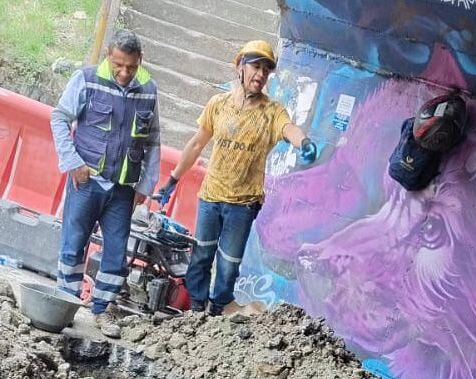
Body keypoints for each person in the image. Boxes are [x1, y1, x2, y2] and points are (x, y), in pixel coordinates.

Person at [153, 40, 317, 316]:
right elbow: (196, 144)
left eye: (266, 70)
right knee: (201, 255)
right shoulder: (219, 104)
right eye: (256, 67)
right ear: (240, 67)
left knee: (228, 263)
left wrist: (304, 142)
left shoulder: (272, 112)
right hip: (211, 197)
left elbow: (289, 128)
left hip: (243, 204)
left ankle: (216, 311)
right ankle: (196, 310)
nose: (260, 74)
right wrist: (173, 179)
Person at [51, 30, 162, 340]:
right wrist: (73, 163)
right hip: (86, 182)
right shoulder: (86, 80)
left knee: (115, 252)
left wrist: (145, 185)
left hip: (122, 190)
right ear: (108, 57)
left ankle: (103, 309)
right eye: (118, 65)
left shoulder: (148, 90)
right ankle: (66, 303)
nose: (124, 73)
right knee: (73, 244)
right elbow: (59, 118)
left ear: (140, 60)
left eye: (131, 66)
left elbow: (153, 141)